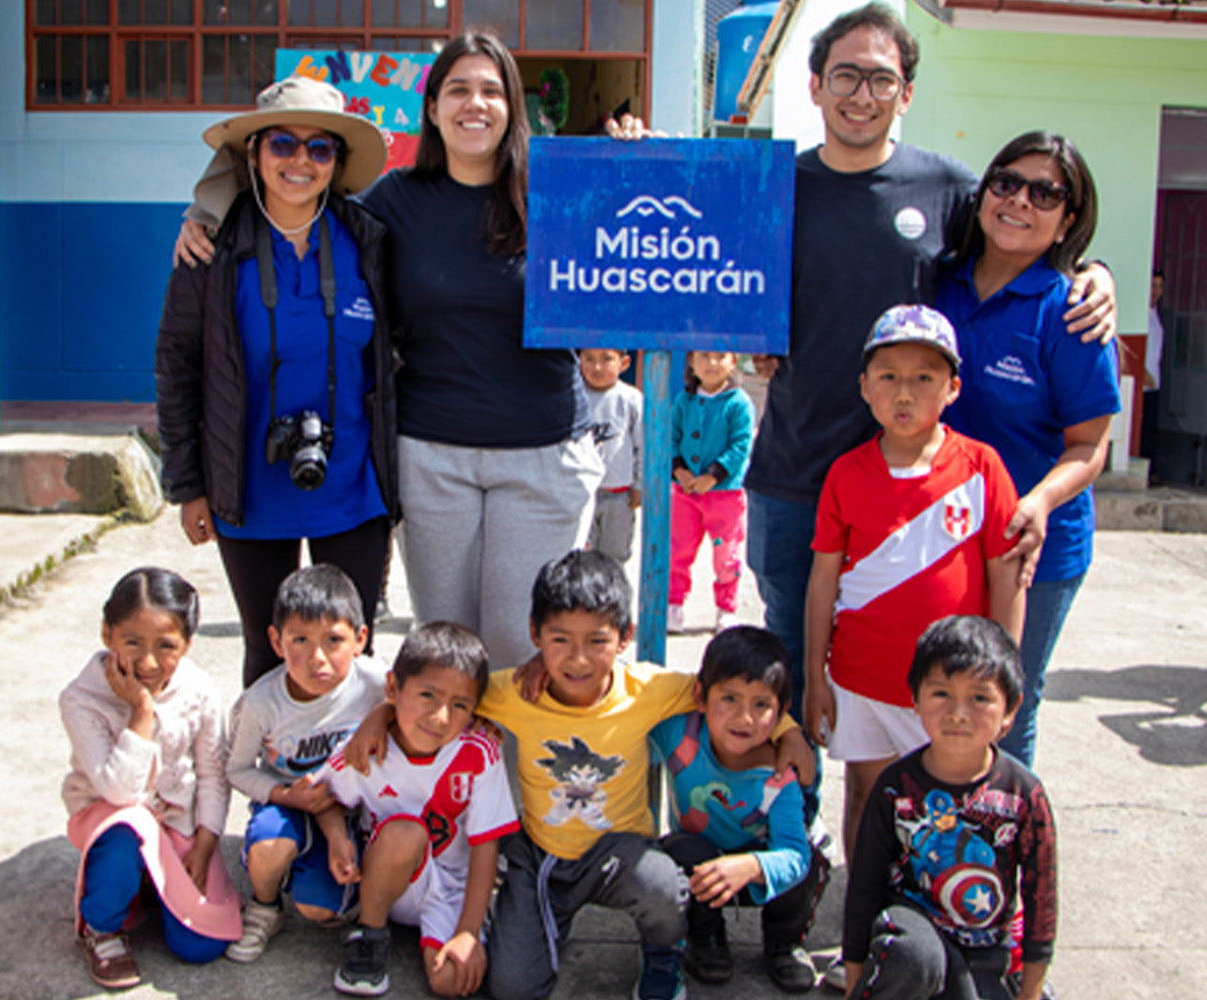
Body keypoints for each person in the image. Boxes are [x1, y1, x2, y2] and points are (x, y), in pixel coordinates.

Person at [728, 2, 1116, 716]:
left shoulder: (950, 190)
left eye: (880, 79)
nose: (860, 95)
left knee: (927, 691)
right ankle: (795, 824)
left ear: (906, 94)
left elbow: (1023, 230)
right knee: (790, 681)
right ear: (814, 86)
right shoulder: (769, 183)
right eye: (844, 75)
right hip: (798, 472)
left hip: (921, 490)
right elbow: (691, 222)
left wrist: (1093, 273)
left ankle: (911, 826)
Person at [176, 31, 601, 671]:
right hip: (434, 454)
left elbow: (639, 221)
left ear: (515, 105)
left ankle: (506, 776)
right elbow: (292, 180)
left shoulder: (556, 195)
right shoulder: (391, 205)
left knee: (521, 648)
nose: (474, 104)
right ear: (431, 107)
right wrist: (204, 208)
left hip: (541, 452)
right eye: (458, 89)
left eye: (491, 90)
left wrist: (635, 155)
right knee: (444, 649)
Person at [343, 549, 816, 1000]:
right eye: (560, 640)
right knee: (512, 988)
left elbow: (729, 689)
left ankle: (664, 956)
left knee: (660, 882)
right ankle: (546, 921)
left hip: (620, 852)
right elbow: (437, 694)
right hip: (543, 854)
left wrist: (789, 729)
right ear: (535, 633)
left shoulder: (649, 689)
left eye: (597, 641)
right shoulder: (513, 692)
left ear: (625, 636)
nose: (578, 659)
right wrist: (381, 714)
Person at [156, 75, 397, 688]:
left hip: (353, 486)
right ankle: (272, 783)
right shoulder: (209, 246)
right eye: (283, 144)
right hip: (248, 484)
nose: (300, 161)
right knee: (271, 658)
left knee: (348, 658)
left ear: (336, 162)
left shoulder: (367, 241)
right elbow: (178, 363)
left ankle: (349, 785)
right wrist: (188, 484)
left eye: (320, 149)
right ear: (254, 153)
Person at [805, 304, 1024, 874]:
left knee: (949, 808)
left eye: (924, 377)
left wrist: (998, 673)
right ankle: (866, 910)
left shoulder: (982, 467)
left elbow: (1006, 573)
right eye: (889, 377)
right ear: (865, 388)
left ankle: (940, 908)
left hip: (952, 688)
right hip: (861, 676)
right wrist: (814, 678)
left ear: (953, 388)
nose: (905, 393)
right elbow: (823, 580)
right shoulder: (846, 474)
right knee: (868, 798)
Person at [937, 131, 1121, 769]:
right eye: (1007, 183)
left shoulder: (1071, 310)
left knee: (1005, 701)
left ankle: (1001, 848)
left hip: (1034, 543)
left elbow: (1091, 444)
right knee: (938, 695)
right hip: (946, 534)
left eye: (1045, 193)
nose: (1020, 201)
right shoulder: (941, 282)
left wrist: (1036, 503)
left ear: (1069, 218)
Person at [841, 616, 1057, 1000]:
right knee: (913, 955)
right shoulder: (894, 788)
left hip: (987, 948)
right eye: (941, 693)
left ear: (1010, 709)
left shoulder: (1024, 795)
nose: (958, 713)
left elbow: (1041, 897)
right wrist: (857, 979)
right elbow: (864, 886)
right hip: (914, 936)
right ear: (915, 698)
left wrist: (1032, 990)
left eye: (979, 698)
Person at [312, 621, 518, 997]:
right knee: (406, 833)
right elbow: (323, 797)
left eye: (460, 705)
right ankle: (370, 936)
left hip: (450, 885)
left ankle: (434, 933)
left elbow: (485, 843)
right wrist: (337, 836)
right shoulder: (365, 749)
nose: (441, 717)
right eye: (427, 695)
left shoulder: (480, 751)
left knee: (454, 982)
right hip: (385, 882)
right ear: (393, 688)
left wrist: (469, 932)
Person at [58, 567, 241, 990]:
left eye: (166, 646)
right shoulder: (81, 699)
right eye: (132, 643)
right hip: (111, 819)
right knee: (129, 828)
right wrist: (140, 710)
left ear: (188, 645)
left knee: (200, 947)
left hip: (176, 823)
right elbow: (119, 792)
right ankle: (102, 928)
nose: (148, 661)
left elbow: (212, 773)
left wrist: (207, 840)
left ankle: (153, 886)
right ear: (107, 634)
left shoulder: (198, 689)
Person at [223, 563, 390, 963]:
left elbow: (420, 702)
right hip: (289, 802)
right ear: (276, 642)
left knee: (320, 910)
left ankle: (320, 870)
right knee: (270, 843)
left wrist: (383, 713)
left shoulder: (378, 682)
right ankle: (265, 905)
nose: (318, 658)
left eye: (334, 639)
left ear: (360, 639)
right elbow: (237, 769)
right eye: (300, 640)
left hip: (352, 809)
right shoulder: (261, 702)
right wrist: (284, 794)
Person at [654, 626, 828, 992]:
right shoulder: (678, 733)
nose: (744, 718)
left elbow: (794, 855)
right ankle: (707, 940)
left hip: (758, 870)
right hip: (702, 866)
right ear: (700, 695)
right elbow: (625, 693)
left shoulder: (779, 774)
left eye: (761, 705)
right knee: (679, 851)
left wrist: (751, 867)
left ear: (782, 712)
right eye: (729, 698)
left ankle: (784, 944)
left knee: (811, 862)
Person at [668, 350, 755, 635]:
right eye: (704, 356)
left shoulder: (739, 402)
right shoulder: (684, 400)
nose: (712, 363)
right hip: (685, 493)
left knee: (726, 555)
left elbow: (740, 446)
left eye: (721, 356)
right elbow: (672, 437)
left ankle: (726, 608)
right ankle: (673, 605)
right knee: (678, 550)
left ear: (734, 361)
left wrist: (712, 476)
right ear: (691, 361)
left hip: (724, 495)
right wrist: (679, 470)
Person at [580, 347, 643, 567]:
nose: (597, 367)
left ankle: (612, 600)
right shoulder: (575, 395)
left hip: (619, 493)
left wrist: (639, 484)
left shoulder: (630, 398)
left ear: (624, 363)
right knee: (581, 555)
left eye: (606, 359)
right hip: (581, 492)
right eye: (589, 359)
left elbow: (641, 445)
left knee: (614, 557)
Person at [1140, 269, 1165, 467]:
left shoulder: (1155, 314)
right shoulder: (1143, 316)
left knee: (1151, 427)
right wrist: (1143, 373)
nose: (1156, 291)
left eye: (1159, 287)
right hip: (1144, 381)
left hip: (1154, 382)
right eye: (1152, 286)